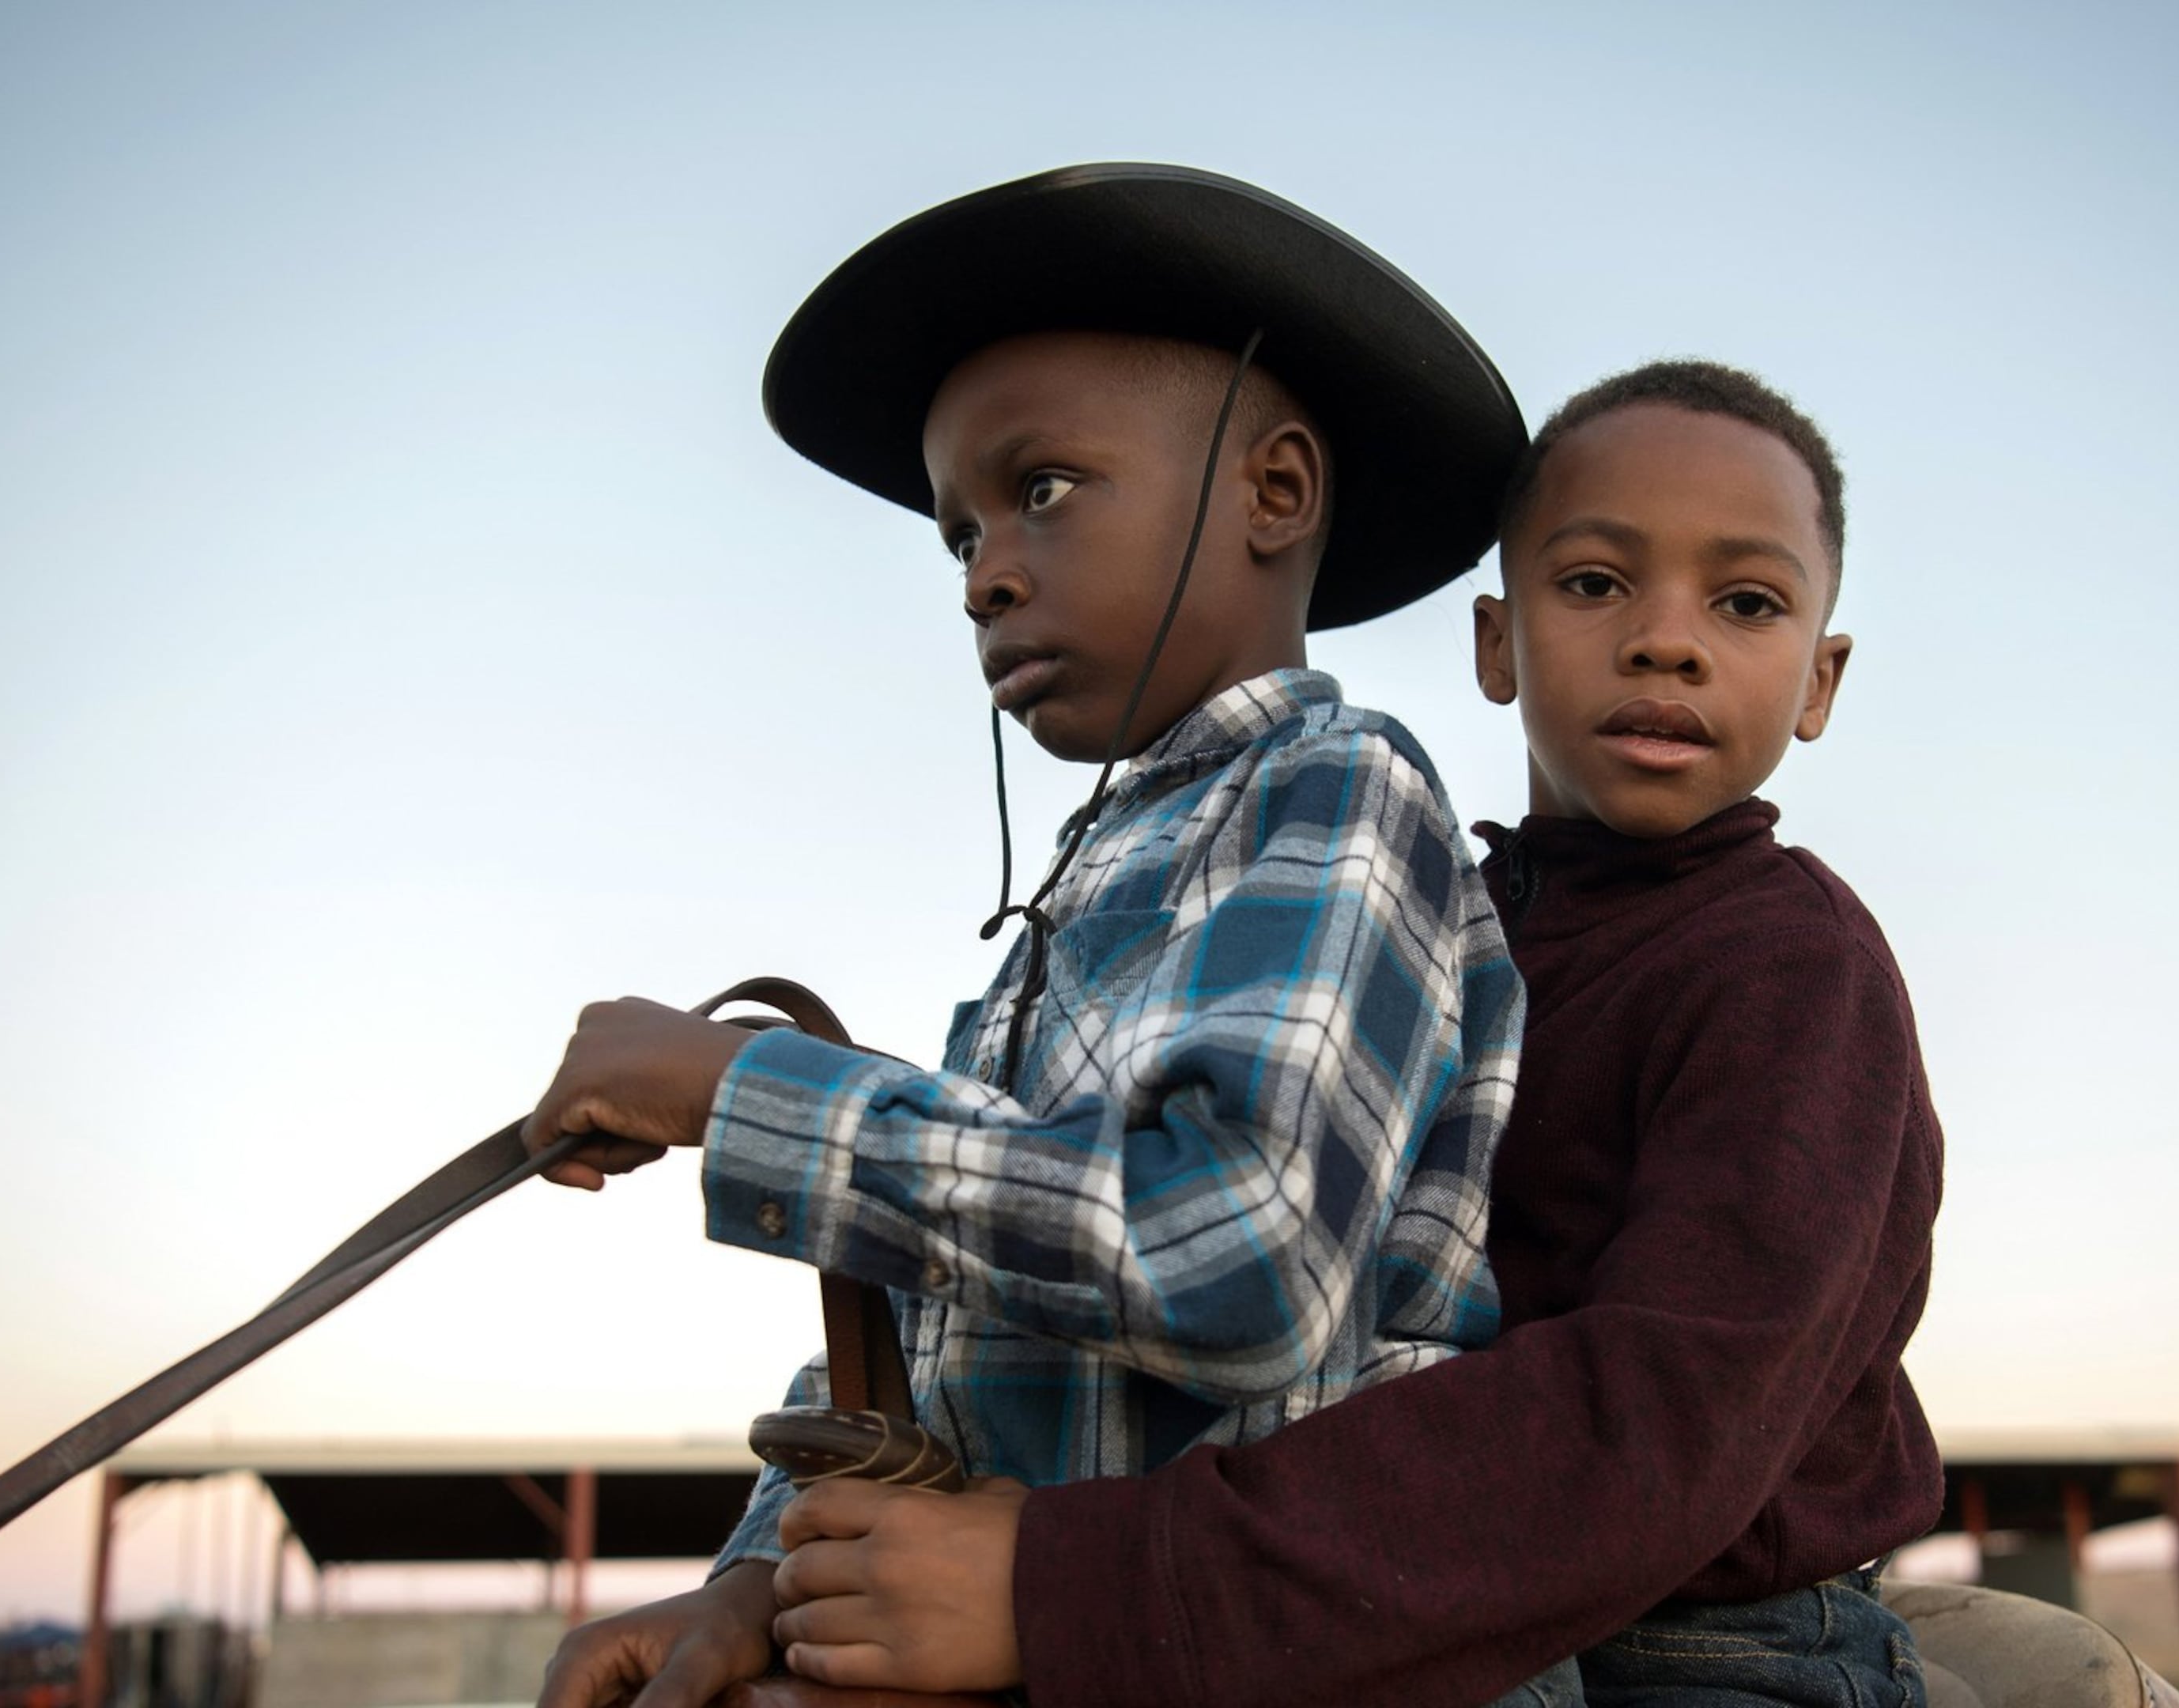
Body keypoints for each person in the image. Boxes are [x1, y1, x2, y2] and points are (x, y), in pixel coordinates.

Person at [765, 361, 1946, 1708]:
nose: (1665, 641)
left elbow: (1665, 1421)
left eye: (1745, 603)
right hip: (1395, 1592)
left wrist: (1074, 1586)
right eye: (1595, 583)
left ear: (1820, 679)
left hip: (1707, 1641)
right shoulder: (1417, 916)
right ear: (1496, 645)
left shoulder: (1794, 973)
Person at [516, 164, 1538, 1701]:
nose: (988, 571)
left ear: (1275, 494)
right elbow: (945, 1344)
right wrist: (758, 1585)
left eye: (1044, 489)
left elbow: (1238, 1253)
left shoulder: (1337, 797)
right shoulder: (1077, 899)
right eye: (960, 536)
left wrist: (745, 1094)